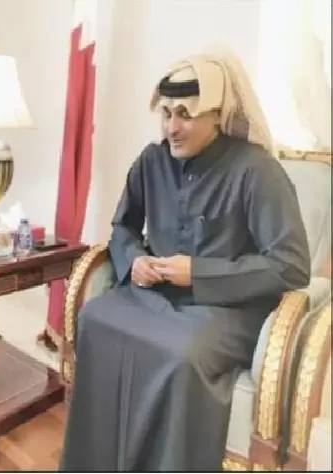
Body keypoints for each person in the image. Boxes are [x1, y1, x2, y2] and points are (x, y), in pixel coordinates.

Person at [60, 51, 311, 471]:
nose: (171, 127)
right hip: (152, 294)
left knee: (181, 354)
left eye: (185, 115)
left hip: (225, 308)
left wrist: (198, 272)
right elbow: (122, 228)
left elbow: (291, 265)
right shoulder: (151, 161)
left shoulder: (257, 171)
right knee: (94, 317)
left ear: (217, 116)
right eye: (166, 113)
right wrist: (133, 259)